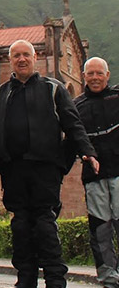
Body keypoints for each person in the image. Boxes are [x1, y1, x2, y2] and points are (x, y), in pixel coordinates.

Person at [0, 40, 99, 288]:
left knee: (44, 223)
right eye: (16, 55)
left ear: (34, 57)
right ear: (11, 60)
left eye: (25, 55)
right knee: (20, 225)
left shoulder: (53, 89)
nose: (21, 59)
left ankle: (55, 279)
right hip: (13, 170)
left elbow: (73, 124)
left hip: (45, 169)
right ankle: (25, 279)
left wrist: (87, 152)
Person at [74, 57, 119, 288]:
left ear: (107, 75)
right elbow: (72, 138)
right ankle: (108, 278)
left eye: (98, 73)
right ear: (83, 76)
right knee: (100, 228)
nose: (94, 78)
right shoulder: (76, 105)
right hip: (93, 177)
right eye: (90, 74)